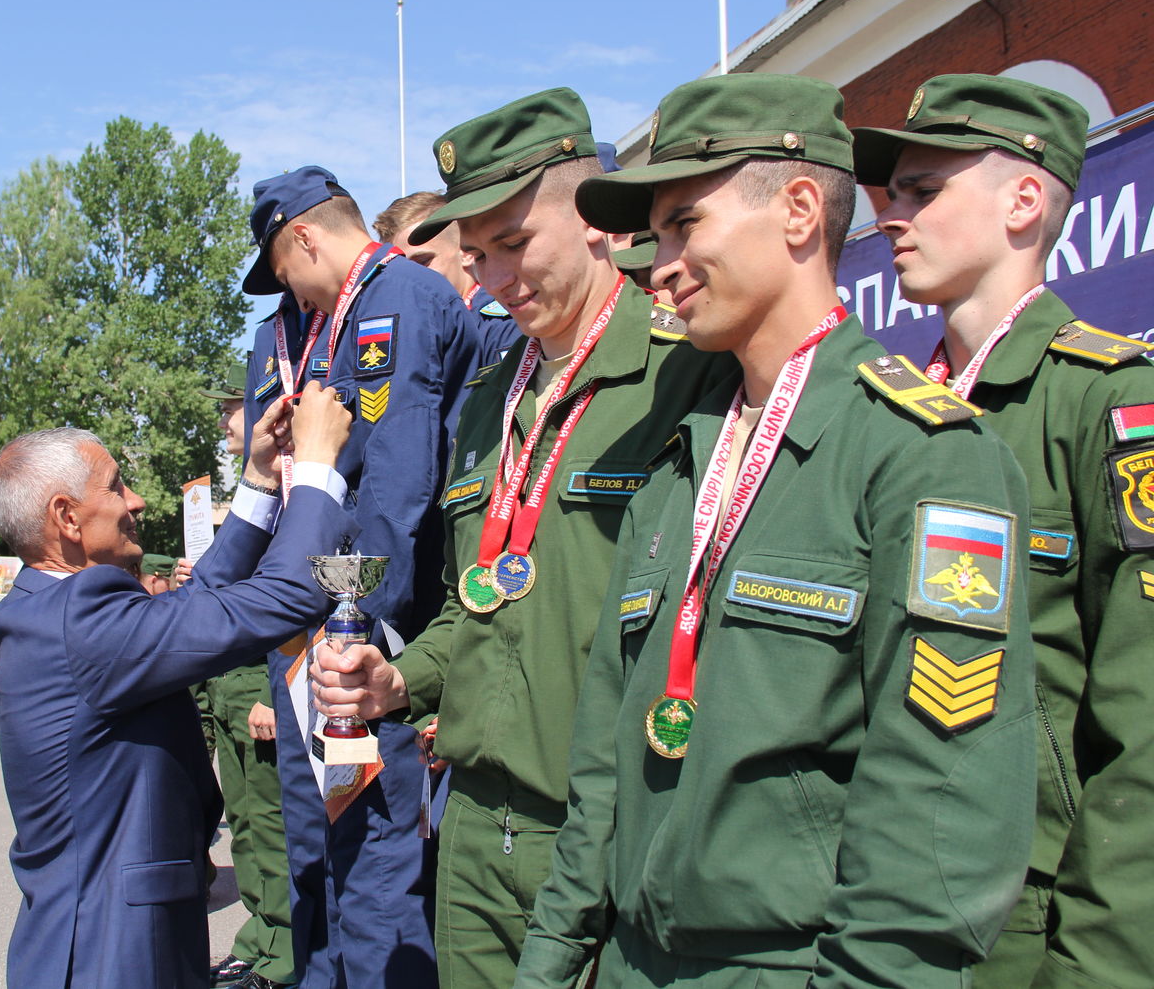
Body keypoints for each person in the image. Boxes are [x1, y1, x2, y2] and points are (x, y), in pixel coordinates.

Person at [513, 73, 1039, 988]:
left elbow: (936, 808)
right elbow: (603, 760)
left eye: (685, 224)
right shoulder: (678, 460)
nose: (659, 262)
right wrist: (553, 960)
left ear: (799, 209)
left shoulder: (924, 456)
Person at [311, 87, 732, 988]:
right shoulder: (490, 399)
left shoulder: (686, 371)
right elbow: (483, 603)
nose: (494, 278)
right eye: (477, 254)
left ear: (594, 223)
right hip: (472, 830)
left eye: (515, 243)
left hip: (603, 832)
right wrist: (396, 679)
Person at [854, 73, 1154, 988]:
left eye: (922, 189)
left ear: (1025, 198)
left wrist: (1100, 965)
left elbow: (1142, 734)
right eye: (889, 192)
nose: (891, 215)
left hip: (1027, 922)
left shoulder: (1107, 400)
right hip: (876, 901)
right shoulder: (889, 412)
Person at [0, 383, 356, 989]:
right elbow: (287, 595)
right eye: (117, 485)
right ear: (67, 517)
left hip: (103, 939)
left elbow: (195, 609)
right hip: (117, 955)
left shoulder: (51, 611)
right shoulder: (83, 623)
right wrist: (314, 467)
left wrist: (257, 481)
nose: (138, 500)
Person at [238, 164, 489, 989]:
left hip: (363, 650)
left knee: (376, 870)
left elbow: (398, 483)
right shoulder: (299, 330)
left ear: (305, 236)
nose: (294, 297)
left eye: (287, 274)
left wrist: (358, 627)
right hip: (306, 645)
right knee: (315, 861)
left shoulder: (398, 301)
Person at [197, 357, 299, 989]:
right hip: (226, 679)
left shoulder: (284, 483)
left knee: (272, 823)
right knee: (244, 821)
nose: (226, 419)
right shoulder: (250, 482)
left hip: (259, 679)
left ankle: (286, 952)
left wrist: (273, 688)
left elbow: (288, 594)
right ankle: (260, 939)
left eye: (232, 406)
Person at [374, 190, 520, 359]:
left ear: (466, 253)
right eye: (401, 268)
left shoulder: (501, 323)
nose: (411, 277)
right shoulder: (407, 332)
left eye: (422, 262)